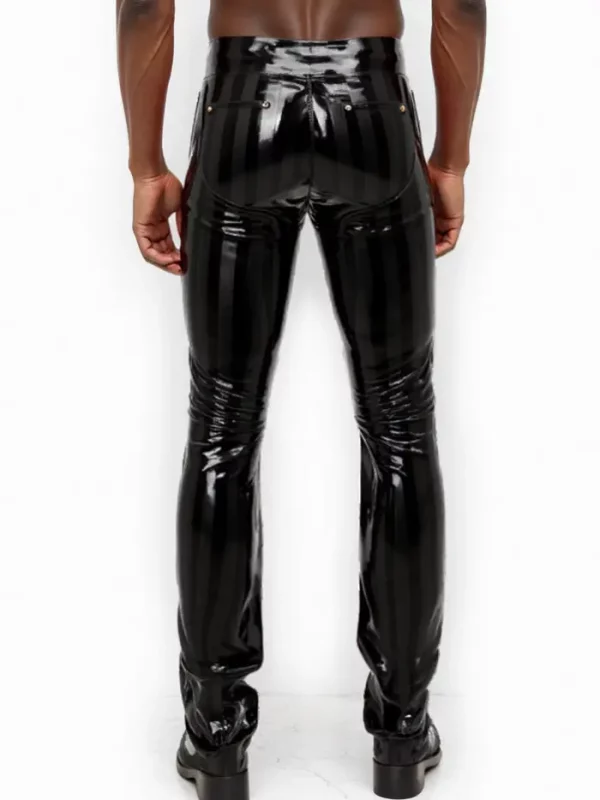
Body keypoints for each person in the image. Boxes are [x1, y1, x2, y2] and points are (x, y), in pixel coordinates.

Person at [116, 1, 486, 798]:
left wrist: (147, 168)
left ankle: (214, 737)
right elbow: (460, 5)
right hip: (370, 106)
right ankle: (402, 731)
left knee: (221, 429)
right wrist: (452, 159)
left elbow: (144, 4)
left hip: (245, 107)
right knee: (400, 426)